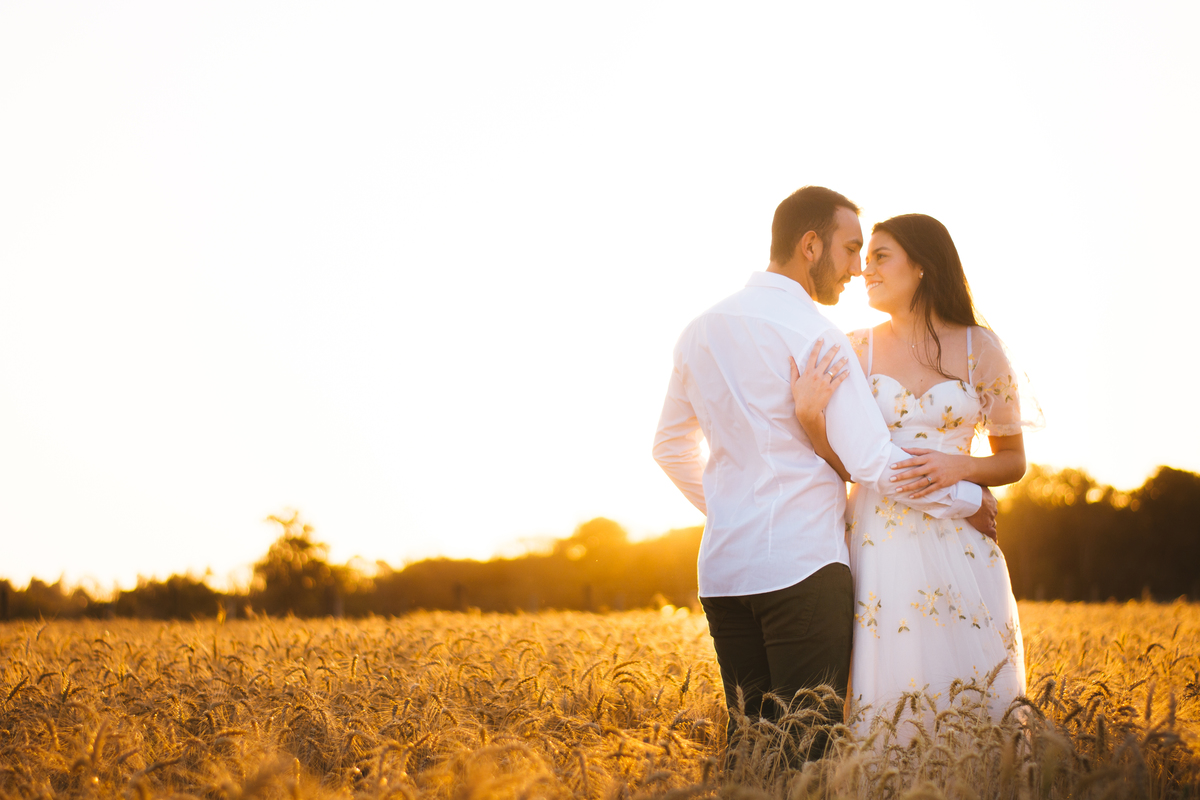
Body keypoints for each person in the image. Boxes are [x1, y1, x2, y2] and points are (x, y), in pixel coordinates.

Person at [652, 187, 997, 762]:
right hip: (803, 569)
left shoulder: (699, 329)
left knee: (753, 751)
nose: (857, 267)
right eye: (850, 248)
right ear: (810, 246)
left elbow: (668, 448)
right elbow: (872, 461)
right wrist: (965, 496)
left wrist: (735, 512)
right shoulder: (816, 336)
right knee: (807, 753)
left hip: (723, 573)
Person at [789, 213, 1035, 735]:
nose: (865, 270)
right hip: (877, 538)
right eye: (865, 256)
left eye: (881, 256)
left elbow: (1014, 460)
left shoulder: (980, 348)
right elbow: (844, 461)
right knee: (888, 686)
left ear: (921, 265)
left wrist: (961, 466)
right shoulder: (855, 349)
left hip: (961, 542)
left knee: (970, 684)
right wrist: (812, 422)